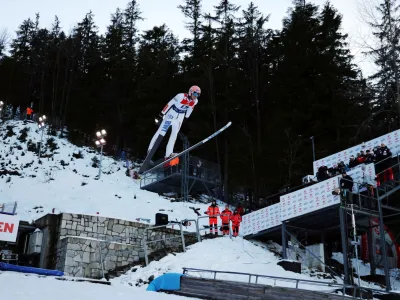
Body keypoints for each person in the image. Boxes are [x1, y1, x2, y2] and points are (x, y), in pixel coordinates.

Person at [147, 86, 201, 160]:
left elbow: (190, 109)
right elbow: (170, 104)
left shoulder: (195, 101)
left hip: (180, 118)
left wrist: (186, 117)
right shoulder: (180, 96)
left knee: (174, 135)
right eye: (195, 94)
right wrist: (162, 113)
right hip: (171, 114)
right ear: (190, 92)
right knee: (161, 132)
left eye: (198, 95)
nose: (196, 96)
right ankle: (150, 149)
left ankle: (168, 154)